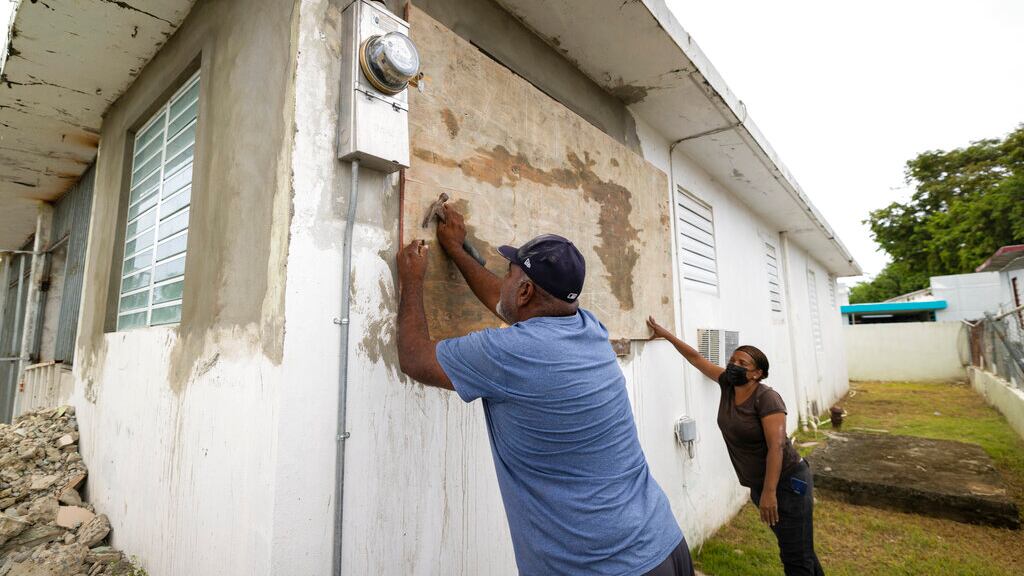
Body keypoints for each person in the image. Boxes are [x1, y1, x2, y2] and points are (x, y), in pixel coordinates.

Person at [396, 204, 694, 576]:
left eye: (509, 274)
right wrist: (456, 251)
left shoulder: (510, 354)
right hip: (663, 543)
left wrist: (411, 280)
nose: (503, 282)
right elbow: (503, 301)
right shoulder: (588, 328)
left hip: (604, 568)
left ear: (524, 291)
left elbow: (413, 357)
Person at [646, 316, 824, 576]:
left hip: (787, 483)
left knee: (796, 556)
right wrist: (665, 334)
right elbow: (696, 358)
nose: (734, 365)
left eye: (742, 363)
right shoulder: (728, 385)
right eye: (732, 360)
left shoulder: (767, 398)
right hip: (761, 485)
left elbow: (777, 447)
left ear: (757, 373)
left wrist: (769, 492)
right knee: (797, 550)